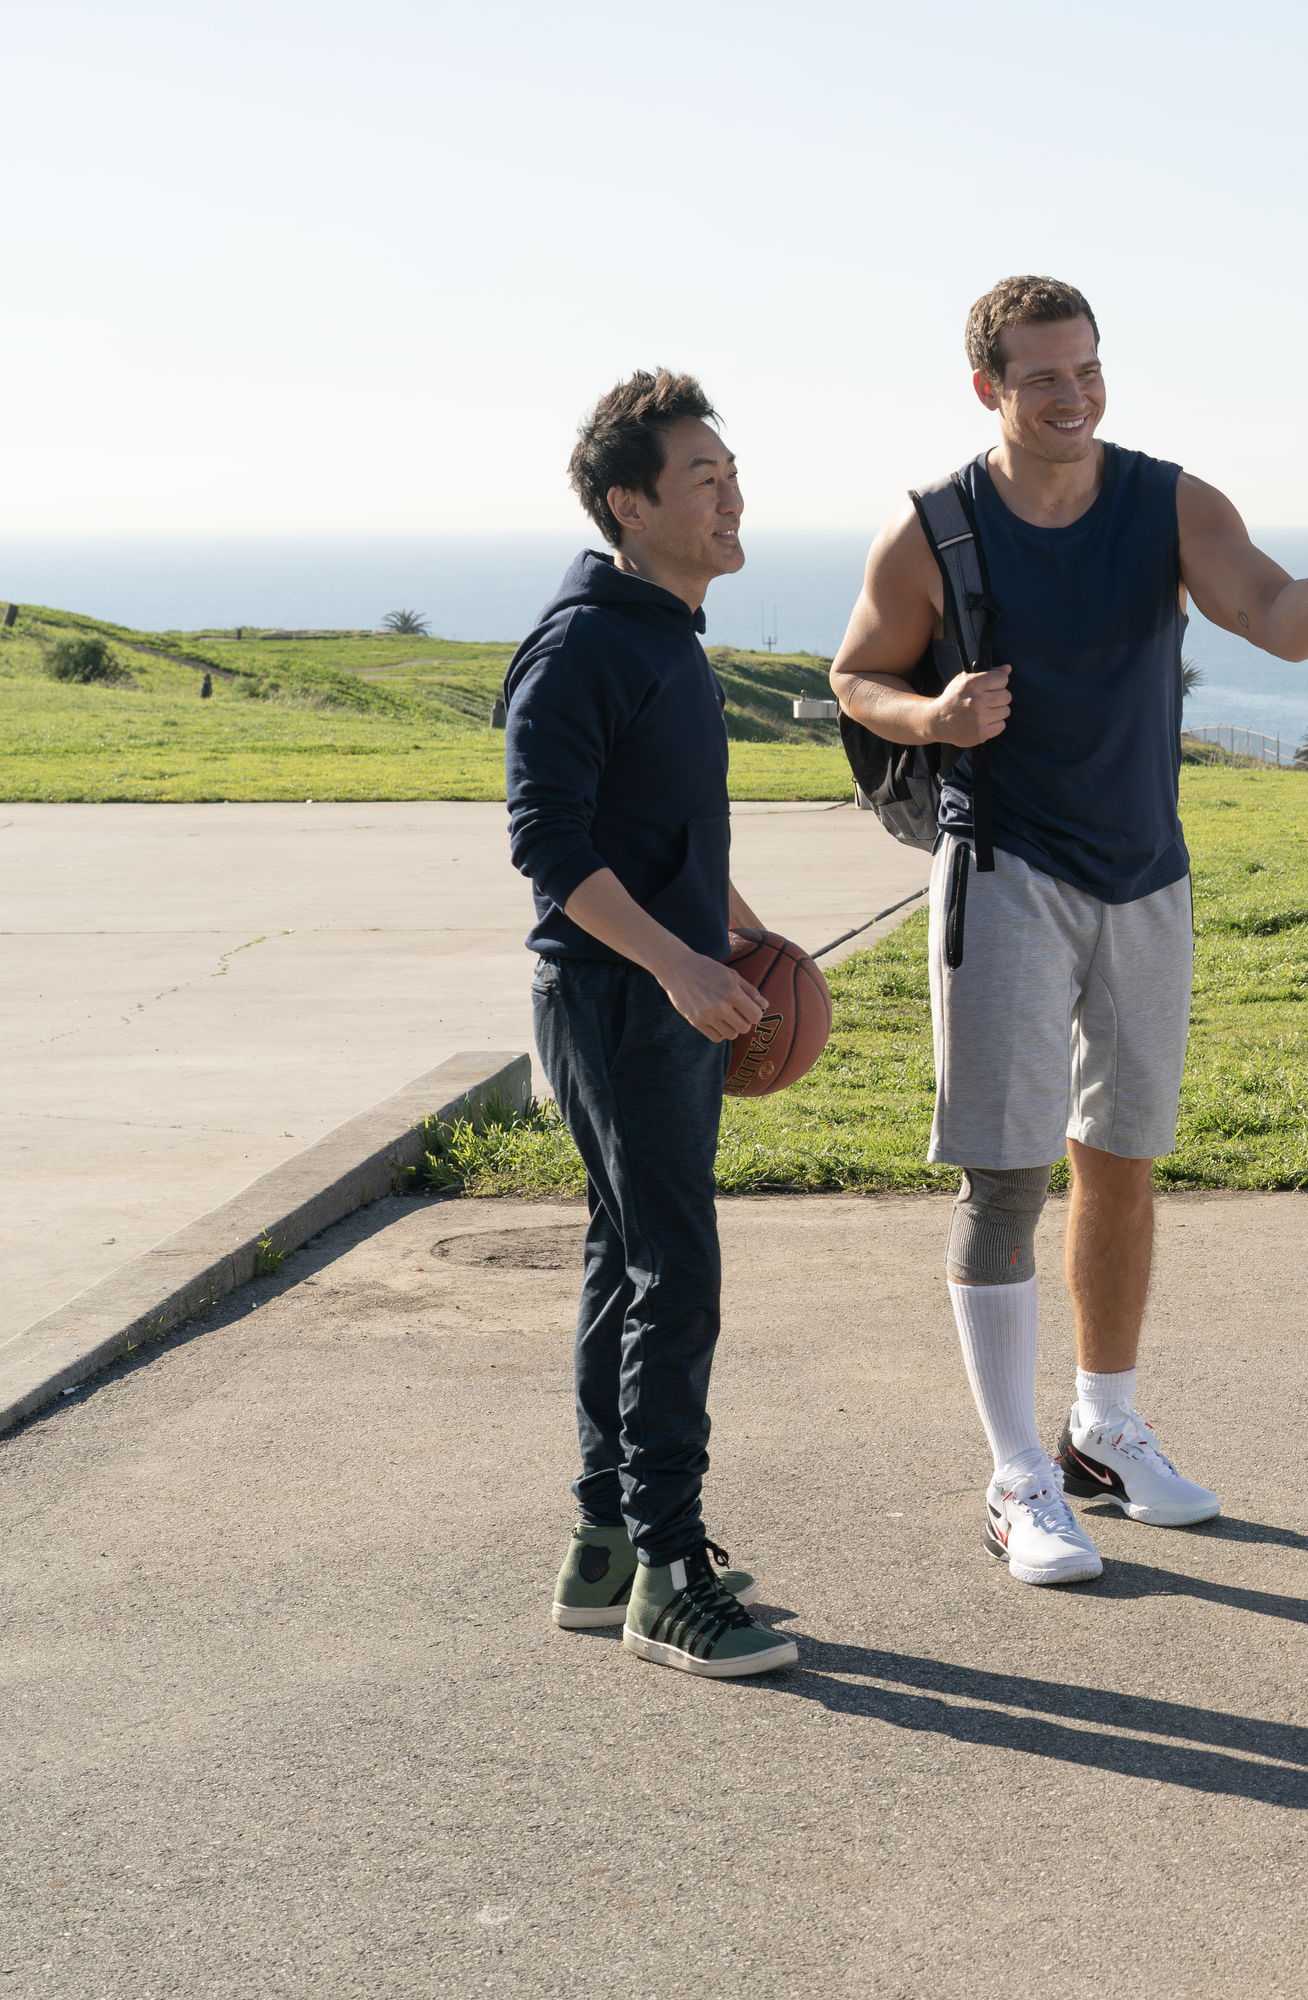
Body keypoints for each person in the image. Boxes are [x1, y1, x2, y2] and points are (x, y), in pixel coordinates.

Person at [830, 277, 1308, 1587]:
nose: (1073, 396)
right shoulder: (934, 530)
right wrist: (935, 717)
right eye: (1042, 379)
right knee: (1007, 1179)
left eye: (1087, 370)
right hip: (1006, 874)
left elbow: (1276, 624)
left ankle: (1101, 1430)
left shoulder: (1169, 503)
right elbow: (854, 678)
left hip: (1146, 875)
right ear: (989, 392)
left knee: (1122, 1159)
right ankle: (1016, 1478)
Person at [501, 369, 795, 1680]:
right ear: (631, 503)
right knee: (675, 1268)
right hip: (616, 996)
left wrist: (729, 923)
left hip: (652, 983)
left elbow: (656, 825)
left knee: (625, 1259)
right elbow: (549, 847)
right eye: (702, 478)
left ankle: (607, 1546)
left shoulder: (664, 632)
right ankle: (672, 1578)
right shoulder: (583, 645)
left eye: (731, 470)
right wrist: (678, 964)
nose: (732, 494)